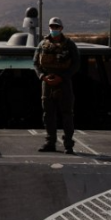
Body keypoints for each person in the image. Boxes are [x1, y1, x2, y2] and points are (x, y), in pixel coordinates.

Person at [33, 17, 80, 154]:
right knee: (48, 114)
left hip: (63, 83)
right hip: (47, 83)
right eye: (52, 27)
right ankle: (50, 142)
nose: (54, 29)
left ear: (61, 28)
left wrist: (62, 77)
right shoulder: (42, 44)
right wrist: (42, 76)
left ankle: (68, 145)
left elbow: (76, 64)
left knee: (67, 114)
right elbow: (36, 63)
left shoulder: (69, 45)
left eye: (56, 27)